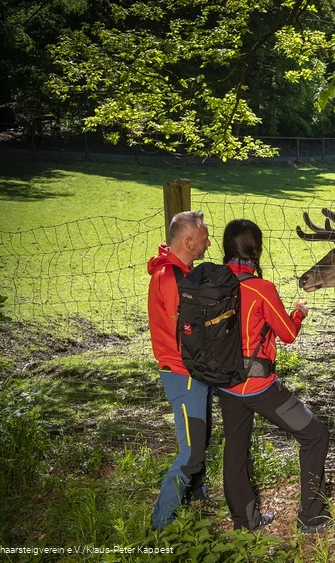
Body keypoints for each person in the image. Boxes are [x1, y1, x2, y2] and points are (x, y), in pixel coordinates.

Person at [217, 218, 331, 533]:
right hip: (259, 387)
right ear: (257, 250)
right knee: (315, 435)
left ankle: (245, 521)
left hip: (225, 384)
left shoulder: (213, 283)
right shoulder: (260, 289)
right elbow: (287, 333)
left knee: (235, 449)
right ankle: (312, 517)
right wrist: (298, 312)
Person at [146, 210, 214, 530]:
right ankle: (161, 525)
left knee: (198, 439)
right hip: (184, 375)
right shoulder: (172, 277)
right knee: (190, 453)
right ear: (188, 241)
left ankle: (195, 500)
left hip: (190, 372)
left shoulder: (177, 271)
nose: (208, 244)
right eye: (203, 240)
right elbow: (188, 328)